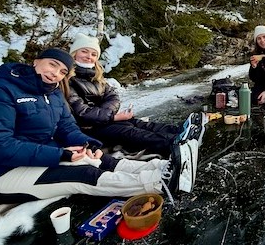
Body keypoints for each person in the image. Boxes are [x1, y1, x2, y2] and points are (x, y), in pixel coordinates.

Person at [0, 48, 199, 204]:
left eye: (62, 71)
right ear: (36, 61)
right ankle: (159, 183)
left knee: (96, 158)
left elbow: (66, 128)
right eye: (52, 64)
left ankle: (161, 168)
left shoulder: (53, 94)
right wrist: (60, 155)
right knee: (83, 174)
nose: (55, 73)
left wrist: (87, 143)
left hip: (40, 157)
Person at [67, 33, 205, 158]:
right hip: (87, 130)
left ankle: (181, 131)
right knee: (129, 132)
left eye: (93, 54)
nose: (89, 57)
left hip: (104, 120)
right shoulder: (67, 80)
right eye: (84, 51)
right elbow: (81, 112)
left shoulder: (96, 76)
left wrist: (108, 115)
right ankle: (174, 144)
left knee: (139, 124)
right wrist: (111, 116)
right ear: (73, 54)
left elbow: (113, 96)